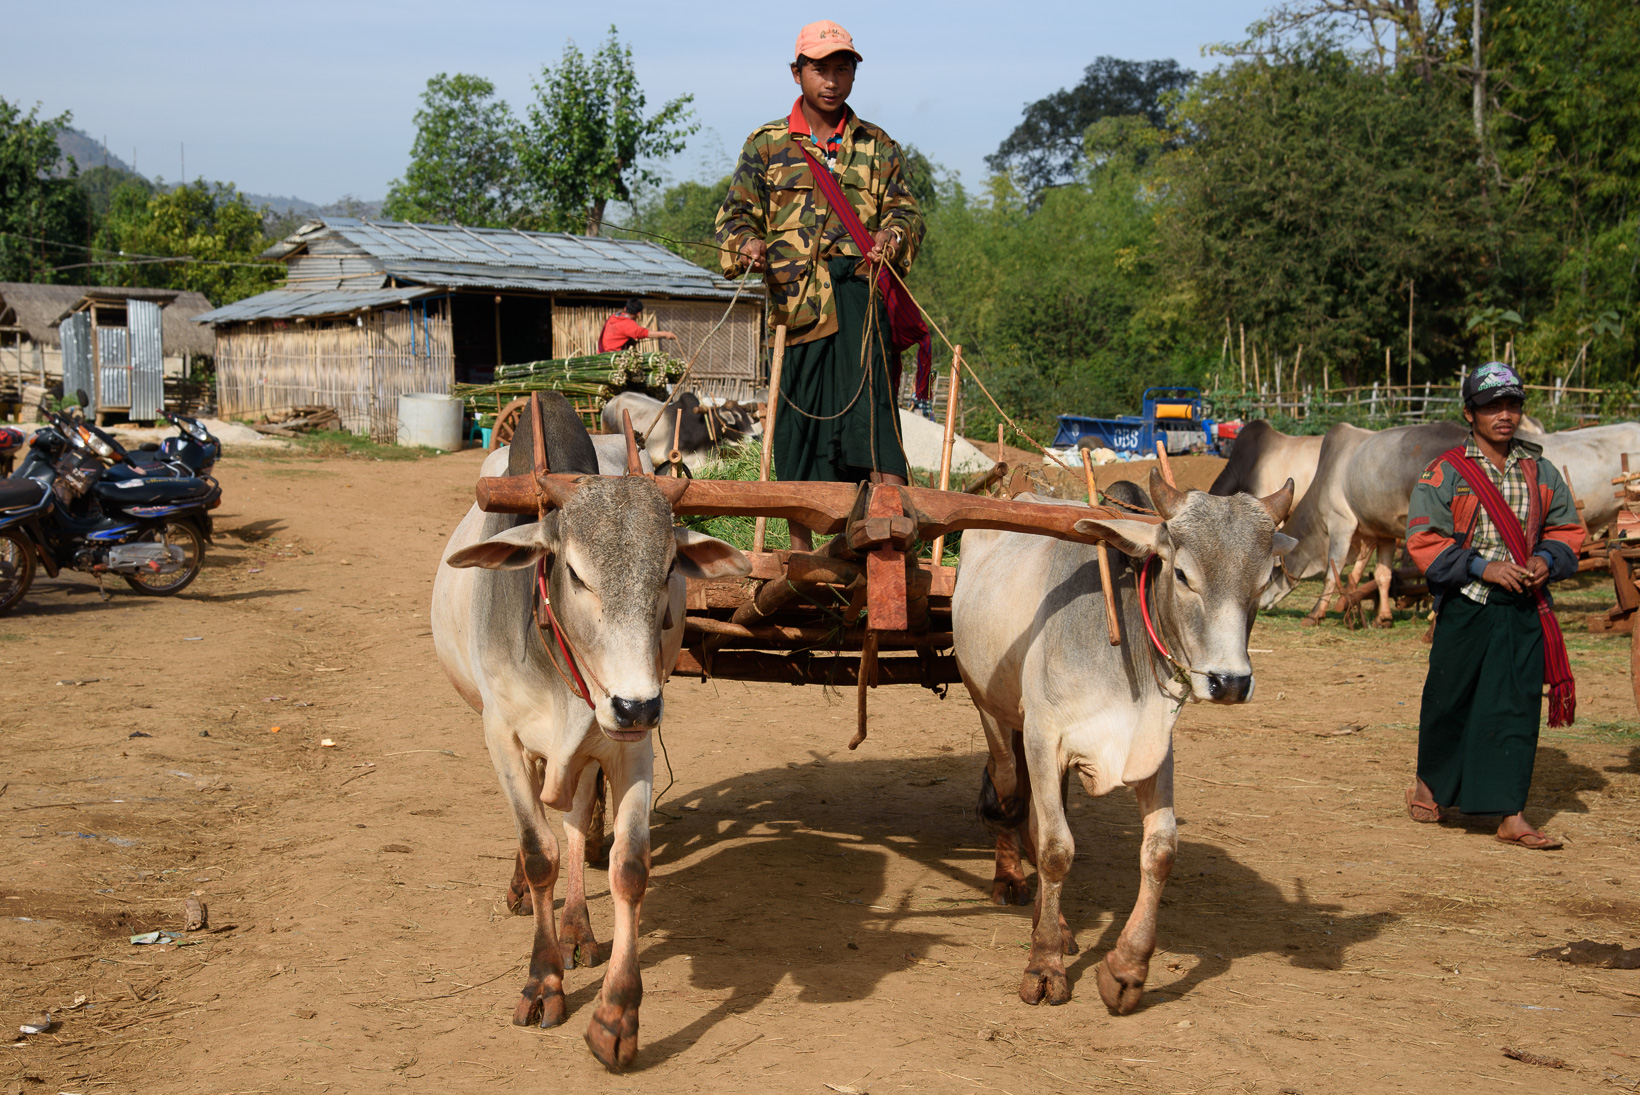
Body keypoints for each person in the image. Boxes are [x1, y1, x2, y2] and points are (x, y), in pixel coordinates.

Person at [714, 19, 925, 550]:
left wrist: (892, 236)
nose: (831, 81)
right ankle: (801, 553)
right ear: (797, 73)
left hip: (861, 305)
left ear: (853, 74)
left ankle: (886, 540)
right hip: (797, 310)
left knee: (874, 423)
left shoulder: (878, 146)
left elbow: (907, 214)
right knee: (798, 432)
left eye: (842, 69)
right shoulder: (766, 144)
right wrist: (747, 245)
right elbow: (734, 217)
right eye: (819, 69)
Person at [1404, 361, 1585, 849]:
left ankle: (1510, 814)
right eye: (1492, 406)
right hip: (1467, 604)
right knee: (1449, 701)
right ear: (1470, 413)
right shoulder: (1445, 471)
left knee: (1515, 708)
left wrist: (1547, 559)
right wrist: (1484, 567)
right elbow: (1423, 540)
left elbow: (1567, 530)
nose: (1504, 415)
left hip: (1523, 607)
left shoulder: (1540, 470)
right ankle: (1430, 785)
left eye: (1512, 405)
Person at [598, 298, 679, 353]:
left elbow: (615, 336)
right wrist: (665, 334)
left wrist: (629, 341)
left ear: (625, 308)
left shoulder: (614, 317)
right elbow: (643, 333)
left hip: (602, 354)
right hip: (612, 357)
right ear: (639, 313)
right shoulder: (628, 324)